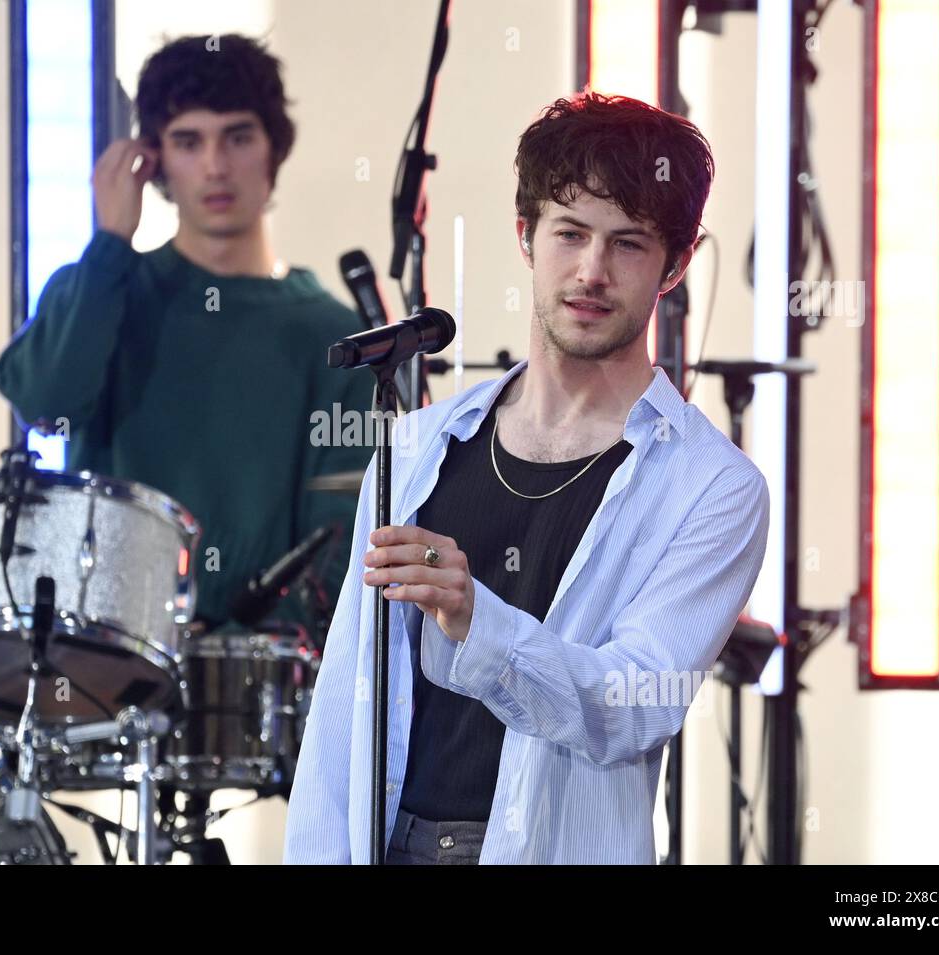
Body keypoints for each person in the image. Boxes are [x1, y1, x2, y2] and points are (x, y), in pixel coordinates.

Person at [283, 91, 770, 864]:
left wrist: (480, 618)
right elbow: (346, 696)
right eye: (570, 233)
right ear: (526, 235)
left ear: (674, 265)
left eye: (629, 244)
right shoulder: (417, 446)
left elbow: (631, 705)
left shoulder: (713, 489)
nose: (591, 271)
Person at [0, 34, 375, 632]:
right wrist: (110, 241)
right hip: (100, 657)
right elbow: (43, 402)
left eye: (238, 136)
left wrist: (231, 646)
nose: (216, 166)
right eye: (188, 141)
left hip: (258, 689)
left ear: (274, 148)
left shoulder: (336, 336)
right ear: (154, 159)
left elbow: (338, 545)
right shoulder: (103, 288)